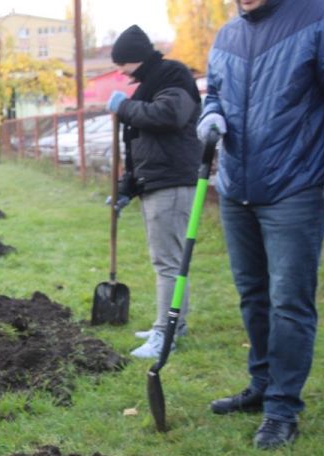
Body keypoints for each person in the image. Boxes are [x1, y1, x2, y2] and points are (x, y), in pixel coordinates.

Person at [199, 0, 324, 449]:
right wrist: (211, 114)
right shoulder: (228, 34)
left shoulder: (323, 13)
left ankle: (282, 408)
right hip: (237, 185)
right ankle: (261, 385)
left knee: (289, 301)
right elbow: (215, 91)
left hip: (296, 184)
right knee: (252, 294)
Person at [105, 25, 202, 359]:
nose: (120, 72)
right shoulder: (148, 84)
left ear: (135, 58)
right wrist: (125, 190)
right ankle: (173, 324)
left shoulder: (172, 75)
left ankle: (166, 333)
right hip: (155, 183)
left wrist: (125, 108)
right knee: (167, 261)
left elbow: (170, 115)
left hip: (173, 182)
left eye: (121, 64)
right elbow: (138, 147)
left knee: (168, 263)